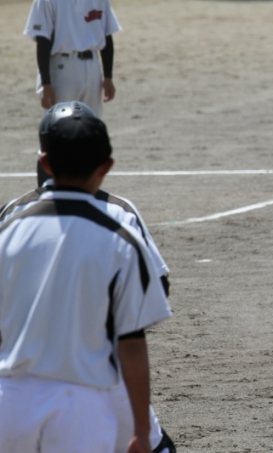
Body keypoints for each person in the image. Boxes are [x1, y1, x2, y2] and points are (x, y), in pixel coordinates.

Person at [0, 102, 177, 453]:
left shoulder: (9, 225)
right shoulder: (119, 232)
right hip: (82, 395)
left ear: (44, 162)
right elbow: (132, 339)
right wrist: (141, 431)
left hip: (10, 397)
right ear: (106, 166)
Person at [24, 0, 122, 118]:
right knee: (61, 124)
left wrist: (108, 77)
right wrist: (46, 84)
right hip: (62, 70)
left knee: (92, 123)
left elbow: (107, 35)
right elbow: (43, 41)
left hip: (93, 69)